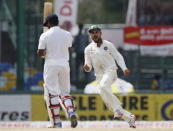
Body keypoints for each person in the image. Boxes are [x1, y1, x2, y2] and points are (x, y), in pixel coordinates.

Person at [83, 25, 136, 128]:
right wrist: (87, 67)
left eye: (96, 32)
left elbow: (118, 56)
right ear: (90, 35)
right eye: (92, 33)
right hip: (99, 76)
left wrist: (124, 68)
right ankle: (129, 117)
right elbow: (88, 65)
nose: (94, 34)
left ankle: (117, 110)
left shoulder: (108, 45)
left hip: (111, 71)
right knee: (107, 101)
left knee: (103, 86)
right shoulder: (88, 49)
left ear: (100, 33)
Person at [37, 14, 77, 128]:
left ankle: (57, 122)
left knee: (52, 93)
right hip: (64, 63)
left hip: (50, 64)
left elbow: (40, 52)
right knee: (65, 93)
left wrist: (45, 53)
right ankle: (71, 111)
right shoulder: (67, 34)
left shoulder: (45, 35)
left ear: (49, 23)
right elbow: (69, 47)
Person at [73, 24, 89, 88]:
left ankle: (86, 81)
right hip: (79, 53)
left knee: (84, 68)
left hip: (83, 54)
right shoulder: (77, 36)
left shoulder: (84, 36)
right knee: (77, 68)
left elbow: (87, 44)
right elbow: (74, 44)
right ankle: (78, 81)